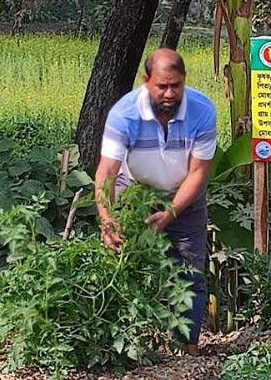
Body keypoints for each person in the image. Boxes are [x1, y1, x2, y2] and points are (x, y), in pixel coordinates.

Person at [93, 48, 217, 357]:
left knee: (190, 271)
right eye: (162, 85)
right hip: (134, 192)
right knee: (127, 263)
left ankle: (188, 348)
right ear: (147, 81)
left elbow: (198, 172)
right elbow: (107, 172)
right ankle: (130, 342)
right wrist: (107, 218)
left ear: (184, 80)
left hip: (184, 195)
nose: (169, 93)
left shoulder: (202, 111)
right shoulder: (124, 114)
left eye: (176, 85)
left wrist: (172, 211)